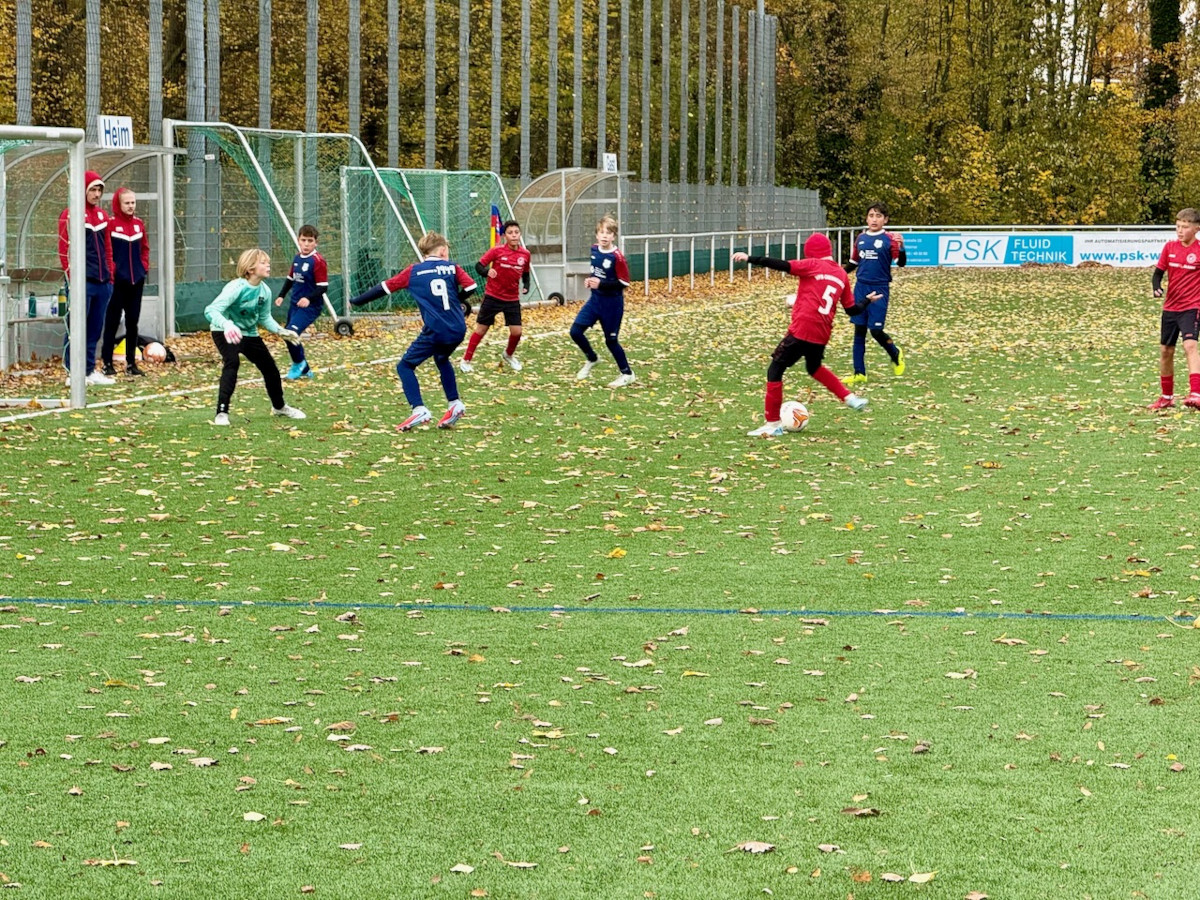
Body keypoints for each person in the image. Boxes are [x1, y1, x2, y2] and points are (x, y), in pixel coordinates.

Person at [734, 233, 870, 437]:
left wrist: (749, 258)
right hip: (822, 332)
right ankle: (849, 397)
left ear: (810, 252)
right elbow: (851, 310)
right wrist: (867, 301)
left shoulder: (812, 265)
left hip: (802, 329)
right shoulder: (841, 274)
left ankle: (772, 424)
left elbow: (781, 265)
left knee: (775, 370)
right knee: (814, 367)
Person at [347, 231, 478, 432]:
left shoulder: (413, 271)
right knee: (442, 359)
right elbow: (472, 287)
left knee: (405, 366)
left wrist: (357, 301)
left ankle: (419, 409)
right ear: (443, 250)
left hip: (435, 329)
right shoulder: (452, 268)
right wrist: (457, 299)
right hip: (458, 328)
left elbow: (383, 288)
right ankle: (455, 404)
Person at [204, 249, 306, 426]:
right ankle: (221, 413)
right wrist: (228, 325)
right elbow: (211, 310)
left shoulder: (264, 291)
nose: (268, 265)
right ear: (250, 269)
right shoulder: (236, 287)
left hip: (249, 333)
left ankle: (279, 407)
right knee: (232, 362)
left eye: (268, 262)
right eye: (263, 262)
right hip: (224, 330)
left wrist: (282, 331)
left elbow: (265, 318)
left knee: (270, 368)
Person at [58, 170, 115, 385]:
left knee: (94, 329)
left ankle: (89, 370)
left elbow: (107, 248)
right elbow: (64, 249)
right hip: (81, 283)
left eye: (100, 190)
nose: (97, 194)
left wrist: (110, 277)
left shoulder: (101, 216)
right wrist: (73, 279)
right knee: (76, 327)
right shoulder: (70, 214)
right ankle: (73, 372)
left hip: (102, 282)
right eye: (93, 189)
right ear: (82, 189)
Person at [845, 201, 906, 386]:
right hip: (861, 287)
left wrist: (902, 247)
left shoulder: (889, 239)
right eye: (871, 215)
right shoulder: (861, 238)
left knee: (876, 330)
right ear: (866, 218)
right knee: (859, 330)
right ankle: (859, 373)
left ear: (885, 220)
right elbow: (853, 263)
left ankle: (895, 353)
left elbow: (901, 263)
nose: (874, 219)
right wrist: (837, 274)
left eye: (878, 216)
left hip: (879, 288)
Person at [570, 214, 636, 388]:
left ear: (614, 236)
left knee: (611, 341)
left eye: (609, 232)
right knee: (575, 331)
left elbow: (624, 283)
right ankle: (592, 358)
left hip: (612, 305)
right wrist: (590, 281)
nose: (605, 235)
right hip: (595, 301)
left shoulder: (617, 257)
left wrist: (601, 283)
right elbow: (597, 274)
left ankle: (627, 374)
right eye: (602, 232)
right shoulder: (594, 249)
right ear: (596, 235)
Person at [460, 220, 531, 373]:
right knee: (481, 330)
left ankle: (508, 355)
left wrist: (526, 286)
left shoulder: (525, 254)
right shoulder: (496, 251)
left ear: (520, 234)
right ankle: (466, 360)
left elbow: (526, 274)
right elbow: (479, 266)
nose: (514, 235)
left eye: (516, 232)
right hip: (493, 296)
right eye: (510, 233)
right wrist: (487, 272)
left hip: (512, 299)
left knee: (517, 332)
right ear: (505, 235)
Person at [1149, 208, 1200, 410]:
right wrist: (1156, 288)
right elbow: (1157, 274)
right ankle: (1166, 397)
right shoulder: (1169, 247)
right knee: (1165, 351)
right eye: (1178, 226)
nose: (1180, 231)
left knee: (1190, 346)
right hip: (1170, 307)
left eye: (1185, 227)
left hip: (1192, 306)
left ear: (1196, 229)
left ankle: (1196, 393)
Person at [100, 187, 150, 377]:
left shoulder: (139, 224)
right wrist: (113, 271)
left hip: (136, 281)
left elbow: (145, 248)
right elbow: (106, 250)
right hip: (117, 282)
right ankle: (107, 363)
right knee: (112, 322)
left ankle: (131, 364)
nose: (131, 206)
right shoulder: (111, 225)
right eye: (127, 203)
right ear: (118, 204)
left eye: (133, 202)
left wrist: (143, 267)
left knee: (133, 322)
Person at [274, 224, 328, 379]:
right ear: (298, 240)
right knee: (288, 334)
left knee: (291, 333)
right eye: (303, 240)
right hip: (295, 305)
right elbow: (291, 279)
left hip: (310, 307)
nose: (306, 244)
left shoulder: (318, 261)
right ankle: (304, 368)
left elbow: (323, 287)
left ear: (316, 243)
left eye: (310, 241)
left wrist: (308, 298)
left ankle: (299, 363)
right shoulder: (297, 257)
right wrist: (281, 295)